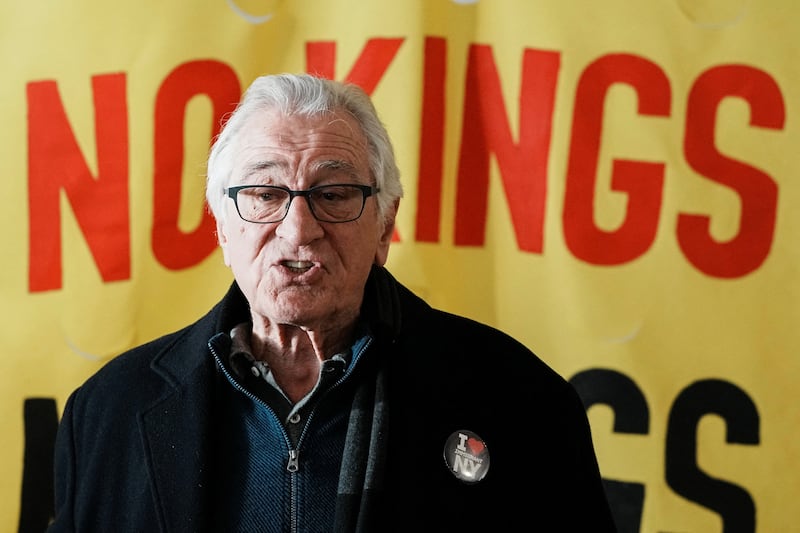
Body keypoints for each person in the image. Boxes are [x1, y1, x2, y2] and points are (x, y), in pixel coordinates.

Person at [49, 73, 617, 532]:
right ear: (222, 228)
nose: (298, 230)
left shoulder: (519, 399)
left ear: (386, 225)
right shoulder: (109, 411)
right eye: (266, 194)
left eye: (335, 194)